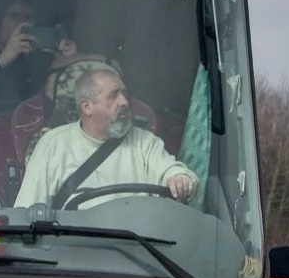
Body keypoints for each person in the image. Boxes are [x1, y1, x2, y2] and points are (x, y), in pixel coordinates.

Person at [13, 66, 195, 211]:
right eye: (114, 95)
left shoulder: (143, 142)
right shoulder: (53, 145)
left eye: (124, 94)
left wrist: (179, 178)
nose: (124, 102)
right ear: (87, 107)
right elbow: (26, 212)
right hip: (74, 251)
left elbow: (173, 171)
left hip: (138, 249)